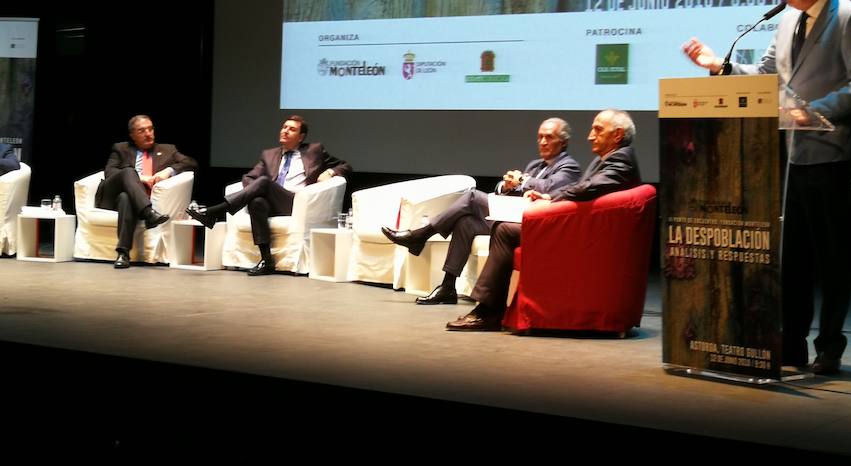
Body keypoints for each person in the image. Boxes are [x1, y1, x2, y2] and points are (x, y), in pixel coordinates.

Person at [682, 0, 851, 375]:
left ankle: (829, 347)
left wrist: (817, 110)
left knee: (830, 258)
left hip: (831, 154)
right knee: (793, 260)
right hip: (792, 154)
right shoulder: (787, 20)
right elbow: (766, 77)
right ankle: (791, 346)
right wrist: (719, 66)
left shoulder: (850, 17)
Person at [446, 109, 641, 331]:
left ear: (617, 135)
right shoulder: (608, 159)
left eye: (598, 130)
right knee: (494, 226)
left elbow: (588, 188)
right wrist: (547, 197)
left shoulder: (620, 160)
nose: (590, 136)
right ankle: (487, 309)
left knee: (504, 230)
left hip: (587, 238)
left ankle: (488, 312)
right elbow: (583, 189)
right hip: (584, 229)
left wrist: (550, 201)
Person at [382, 118, 582, 304]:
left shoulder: (569, 166)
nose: (543, 142)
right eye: (540, 137)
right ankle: (448, 286)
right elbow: (514, 189)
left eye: (549, 137)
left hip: (533, 221)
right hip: (512, 215)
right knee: (465, 223)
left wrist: (521, 180)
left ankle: (420, 235)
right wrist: (506, 186)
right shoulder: (535, 165)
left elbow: (549, 187)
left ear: (563, 142)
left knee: (472, 197)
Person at [188, 116, 351, 275]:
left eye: (292, 129)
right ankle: (267, 260)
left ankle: (214, 212)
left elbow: (345, 165)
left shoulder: (314, 150)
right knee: (257, 202)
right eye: (284, 127)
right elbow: (249, 177)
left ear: (301, 137)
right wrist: (255, 190)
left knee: (264, 182)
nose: (285, 131)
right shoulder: (269, 154)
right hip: (273, 201)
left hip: (297, 203)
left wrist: (331, 172)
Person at [96, 115, 198, 269]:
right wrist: (140, 177)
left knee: (126, 198)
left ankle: (123, 253)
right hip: (112, 197)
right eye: (142, 131)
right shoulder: (121, 148)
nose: (148, 134)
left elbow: (191, 162)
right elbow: (109, 172)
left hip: (133, 200)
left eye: (150, 129)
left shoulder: (168, 150)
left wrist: (169, 170)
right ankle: (149, 213)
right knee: (128, 172)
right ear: (132, 135)